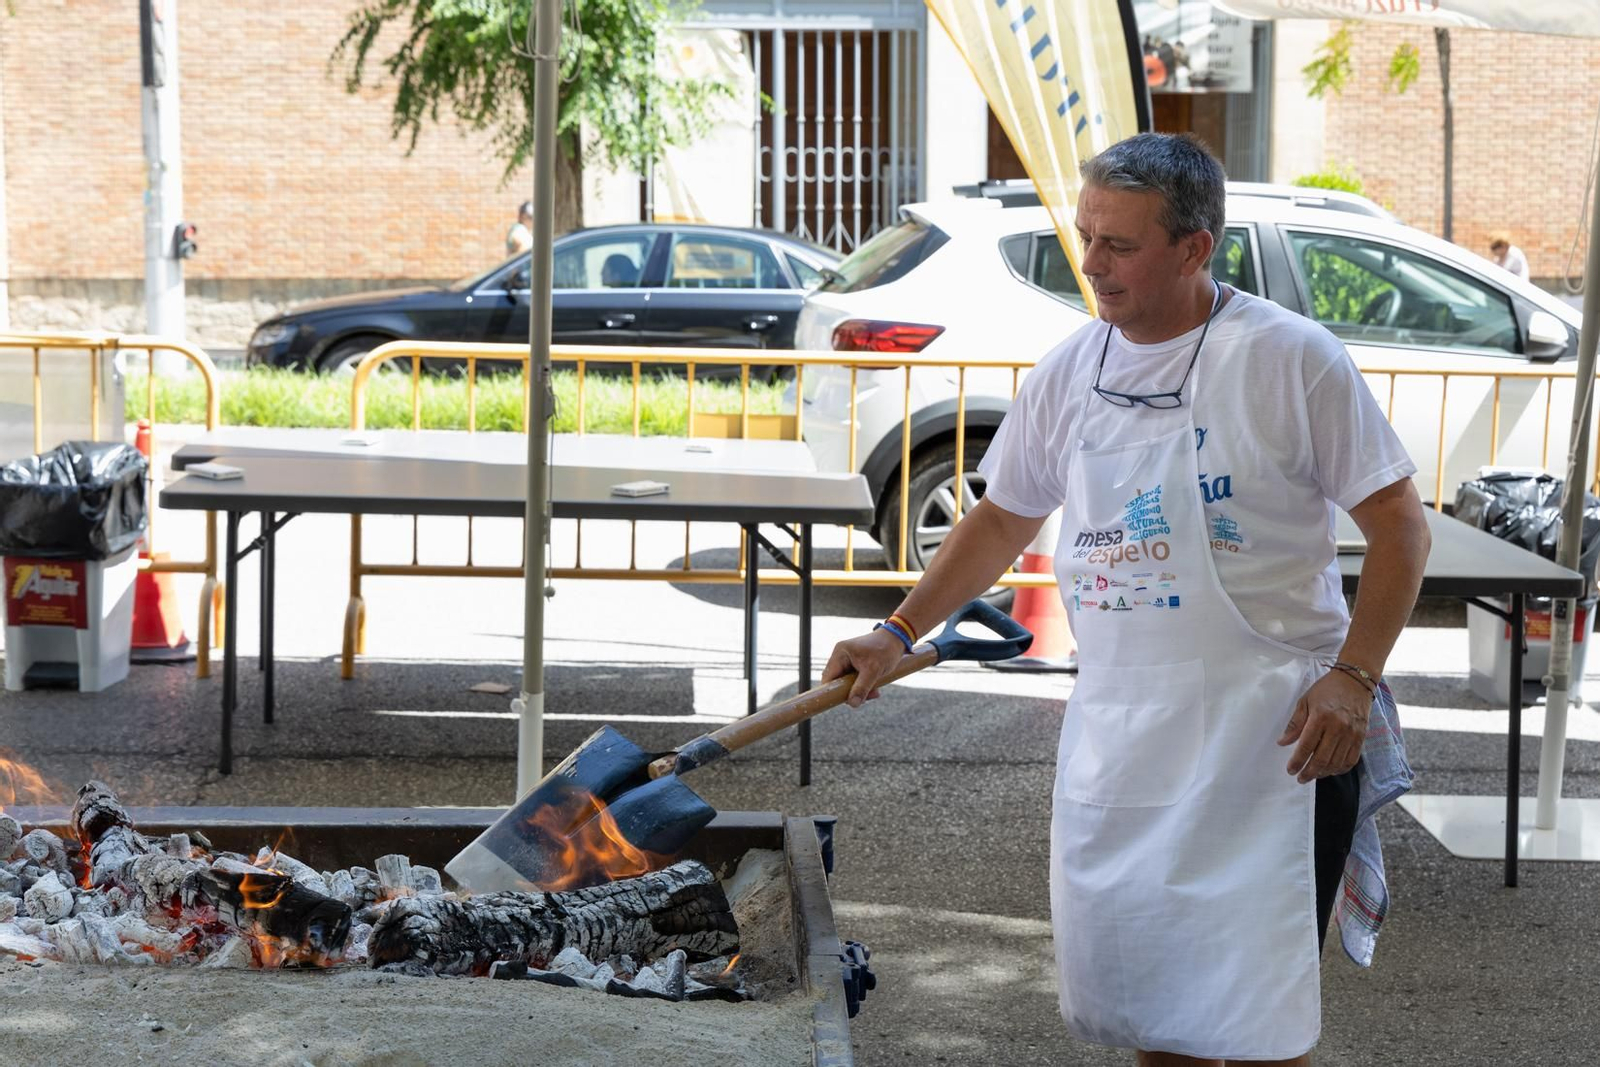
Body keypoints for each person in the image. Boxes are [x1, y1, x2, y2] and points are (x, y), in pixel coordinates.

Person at [821, 133, 1431, 1066]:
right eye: (1086, 237)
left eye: (1120, 245)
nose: (1093, 267)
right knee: (1154, 1015)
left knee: (1260, 1020)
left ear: (1196, 246)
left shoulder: (1288, 359)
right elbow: (999, 519)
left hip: (1271, 742)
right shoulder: (1071, 369)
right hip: (1125, 743)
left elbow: (1400, 525)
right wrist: (897, 628)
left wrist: (1354, 675)